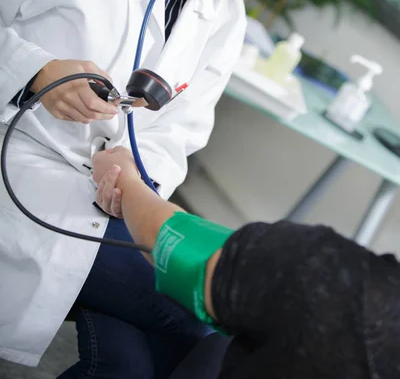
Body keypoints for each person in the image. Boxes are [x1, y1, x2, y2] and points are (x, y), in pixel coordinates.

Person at [0, 0, 351, 375]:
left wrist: (133, 173)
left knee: (132, 363)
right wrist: (36, 73)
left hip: (107, 201)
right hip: (19, 167)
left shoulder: (224, 15)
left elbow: (179, 133)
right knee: (204, 325)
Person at [91, 146, 400, 379]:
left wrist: (126, 180)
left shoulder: (324, 278)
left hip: (115, 181)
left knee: (201, 330)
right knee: (128, 359)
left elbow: (175, 243)